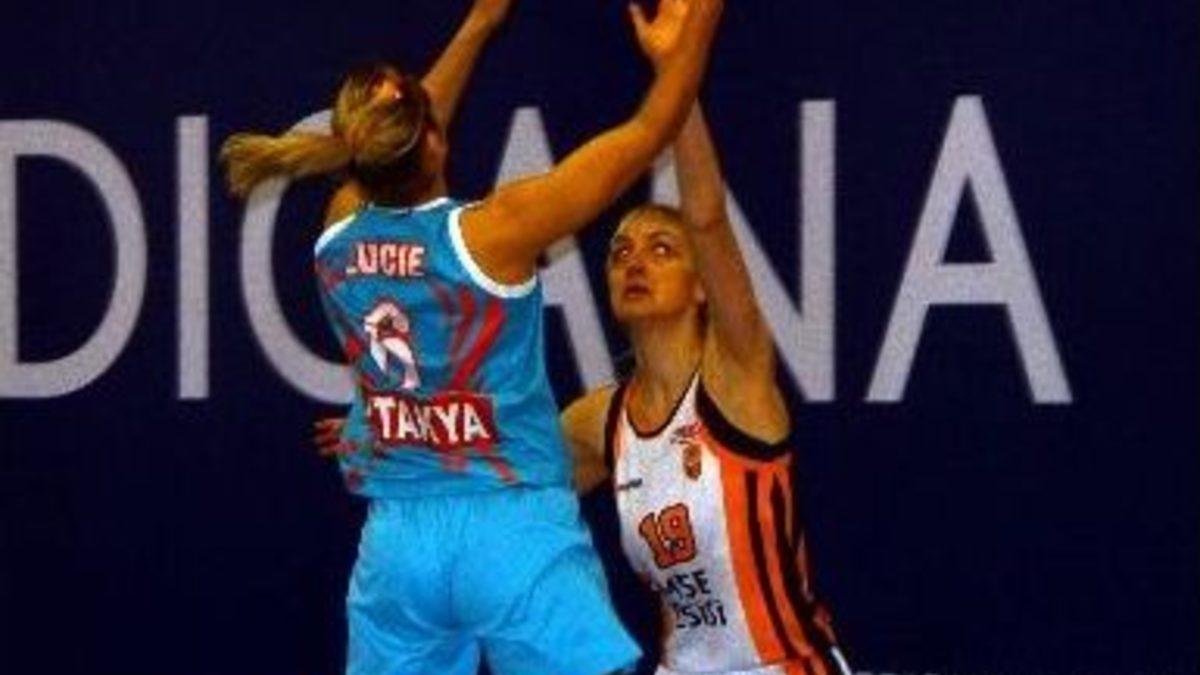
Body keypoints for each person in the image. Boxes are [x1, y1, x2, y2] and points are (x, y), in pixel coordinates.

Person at [221, 0, 723, 673]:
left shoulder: (338, 232)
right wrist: (696, 28)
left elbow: (403, 140)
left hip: (399, 546)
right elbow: (651, 127)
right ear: (432, 141)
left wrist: (480, 22)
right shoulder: (494, 234)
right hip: (510, 532)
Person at [560, 103, 851, 675]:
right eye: (620, 252)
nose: (635, 263)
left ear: (701, 287)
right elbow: (500, 487)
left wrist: (681, 92)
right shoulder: (599, 422)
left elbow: (708, 218)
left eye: (661, 249)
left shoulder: (735, 375)